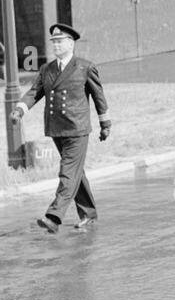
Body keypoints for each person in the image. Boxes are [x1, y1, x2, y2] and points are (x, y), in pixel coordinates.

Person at [12, 22, 111, 233]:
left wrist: (105, 124)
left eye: (59, 41)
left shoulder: (85, 67)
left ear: (71, 43)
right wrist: (20, 109)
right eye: (53, 42)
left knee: (67, 172)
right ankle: (89, 214)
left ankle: (54, 217)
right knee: (75, 173)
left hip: (77, 129)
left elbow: (98, 97)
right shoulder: (47, 69)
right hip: (57, 128)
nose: (55, 45)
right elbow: (34, 92)